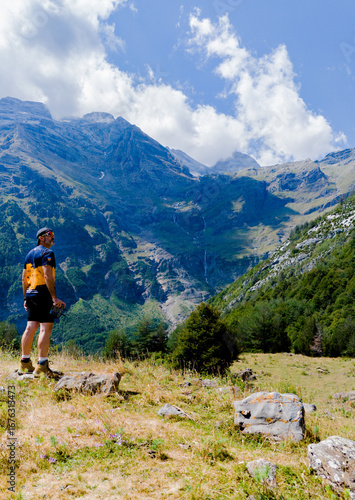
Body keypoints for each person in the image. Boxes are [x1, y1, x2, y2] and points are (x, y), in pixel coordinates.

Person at [20, 227, 66, 377]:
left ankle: (25, 363)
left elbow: (24, 278)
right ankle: (42, 365)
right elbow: (48, 276)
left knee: (30, 327)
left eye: (53, 234)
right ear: (41, 237)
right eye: (49, 235)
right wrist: (54, 298)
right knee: (45, 328)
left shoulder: (29, 254)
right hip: (43, 293)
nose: (53, 237)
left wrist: (26, 298)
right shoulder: (47, 253)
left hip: (31, 293)